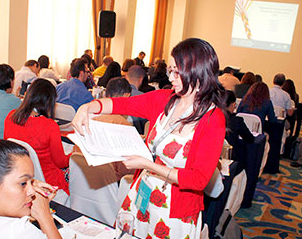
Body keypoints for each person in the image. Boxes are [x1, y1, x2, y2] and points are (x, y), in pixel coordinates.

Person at [72, 38, 226, 239]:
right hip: (143, 193)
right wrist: (88, 107)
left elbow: (198, 180)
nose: (171, 77)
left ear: (198, 73)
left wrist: (147, 164)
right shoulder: (165, 98)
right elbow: (123, 105)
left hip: (175, 210)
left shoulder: (213, 119)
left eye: (177, 72)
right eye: (170, 70)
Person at [4, 79, 70, 195]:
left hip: (20, 175)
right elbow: (61, 163)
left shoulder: (11, 116)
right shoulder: (50, 126)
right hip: (48, 181)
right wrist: (73, 154)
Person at [225, 90, 255, 160]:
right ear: (233, 104)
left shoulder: (210, 118)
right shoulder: (236, 121)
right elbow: (250, 139)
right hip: (232, 159)